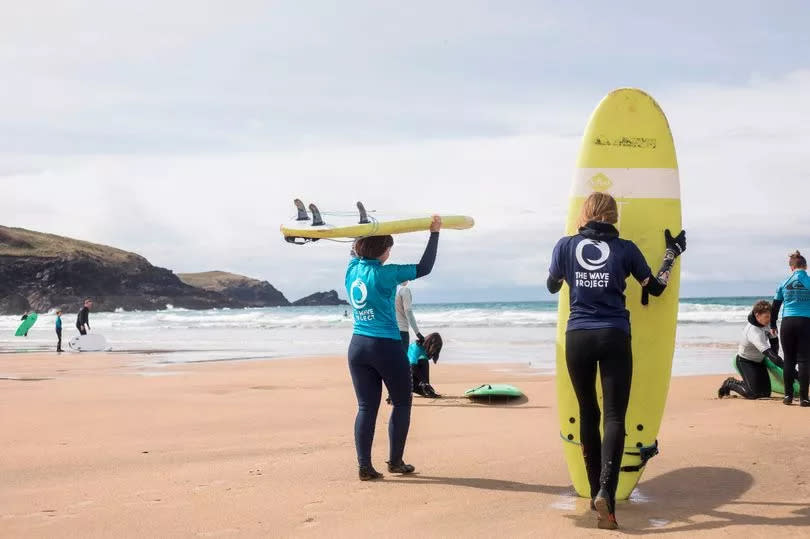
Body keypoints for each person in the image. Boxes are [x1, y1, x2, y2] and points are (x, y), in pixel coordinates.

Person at [546, 192, 686, 530]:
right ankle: (606, 490)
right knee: (613, 416)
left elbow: (552, 286)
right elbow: (654, 288)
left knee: (588, 414)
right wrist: (670, 254)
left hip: (577, 337)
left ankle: (596, 492)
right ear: (613, 217)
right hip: (613, 336)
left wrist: (571, 271)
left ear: (585, 214)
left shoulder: (565, 246)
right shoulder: (625, 249)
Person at [345, 216, 441, 481]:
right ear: (382, 251)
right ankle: (395, 462)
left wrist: (364, 229)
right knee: (401, 403)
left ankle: (364, 466)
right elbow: (425, 268)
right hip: (385, 347)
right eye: (389, 247)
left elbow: (353, 249)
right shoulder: (387, 274)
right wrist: (434, 233)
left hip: (357, 347)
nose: (390, 252)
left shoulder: (351, 269)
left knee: (366, 407)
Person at [718, 300, 790, 399]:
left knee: (765, 394)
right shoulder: (753, 331)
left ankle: (748, 383)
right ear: (757, 315)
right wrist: (789, 370)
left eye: (770, 316)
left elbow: (775, 343)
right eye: (766, 317)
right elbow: (769, 353)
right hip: (745, 361)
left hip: (760, 361)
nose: (769, 320)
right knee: (753, 394)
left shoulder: (768, 324)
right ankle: (730, 383)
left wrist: (776, 361)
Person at [770, 250, 810, 407]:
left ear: (791, 268)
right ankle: (804, 399)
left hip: (787, 323)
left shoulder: (784, 283)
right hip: (806, 323)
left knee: (789, 360)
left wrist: (772, 324)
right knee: (805, 361)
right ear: (805, 266)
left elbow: (775, 307)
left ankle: (788, 396)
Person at [408, 333, 443, 398]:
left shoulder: (424, 349)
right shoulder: (416, 347)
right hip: (405, 376)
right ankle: (422, 387)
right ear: (430, 343)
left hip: (414, 375)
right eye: (434, 347)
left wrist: (427, 385)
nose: (434, 351)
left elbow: (423, 370)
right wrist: (424, 382)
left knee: (424, 361)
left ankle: (425, 389)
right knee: (423, 361)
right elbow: (412, 368)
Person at [395, 281, 424, 355]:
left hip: (388, 331)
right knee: (402, 361)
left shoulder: (390, 290)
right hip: (401, 331)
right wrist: (417, 333)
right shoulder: (404, 290)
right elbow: (408, 311)